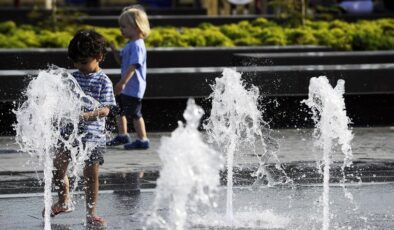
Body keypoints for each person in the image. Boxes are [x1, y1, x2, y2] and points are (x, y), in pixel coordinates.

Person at [43, 30, 116, 227]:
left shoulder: (103, 81)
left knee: (90, 177)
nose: (79, 67)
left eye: (83, 62)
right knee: (58, 168)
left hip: (92, 137)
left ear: (98, 57)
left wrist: (87, 116)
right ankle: (63, 201)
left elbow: (106, 109)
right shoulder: (72, 78)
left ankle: (91, 213)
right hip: (68, 134)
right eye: (75, 62)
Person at [106, 5, 151, 150]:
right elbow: (122, 62)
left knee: (135, 113)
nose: (121, 30)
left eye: (124, 27)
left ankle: (143, 139)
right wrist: (114, 52)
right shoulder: (130, 44)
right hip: (127, 87)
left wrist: (122, 83)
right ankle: (123, 135)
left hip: (133, 87)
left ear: (137, 27)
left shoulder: (137, 45)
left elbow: (134, 66)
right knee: (119, 109)